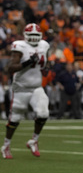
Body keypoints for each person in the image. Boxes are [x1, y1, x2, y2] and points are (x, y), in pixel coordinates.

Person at [1, 23, 50, 159]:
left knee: (43, 112)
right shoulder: (19, 46)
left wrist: (46, 68)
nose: (34, 38)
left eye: (36, 35)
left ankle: (34, 140)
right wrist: (27, 62)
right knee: (15, 119)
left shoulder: (44, 45)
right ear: (25, 36)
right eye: (31, 35)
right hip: (21, 88)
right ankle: (6, 145)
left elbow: (46, 62)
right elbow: (10, 68)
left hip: (36, 87)